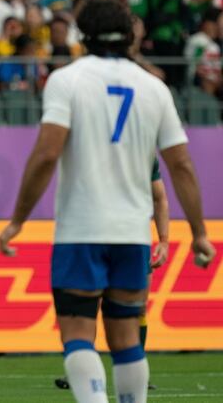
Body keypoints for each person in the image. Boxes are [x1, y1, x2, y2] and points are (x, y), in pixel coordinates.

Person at [0, 0, 216, 403]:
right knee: (127, 337)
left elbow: (46, 154)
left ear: (84, 35)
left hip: (81, 230)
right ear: (130, 36)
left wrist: (18, 221)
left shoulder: (67, 79)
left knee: (79, 334)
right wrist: (200, 233)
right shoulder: (155, 87)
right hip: (132, 234)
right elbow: (181, 165)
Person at [54, 160, 170, 392]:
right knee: (88, 308)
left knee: (136, 309)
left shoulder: (143, 153)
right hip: (95, 236)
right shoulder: (92, 146)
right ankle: (83, 373)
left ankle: (138, 373)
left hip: (130, 237)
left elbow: (159, 197)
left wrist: (164, 239)